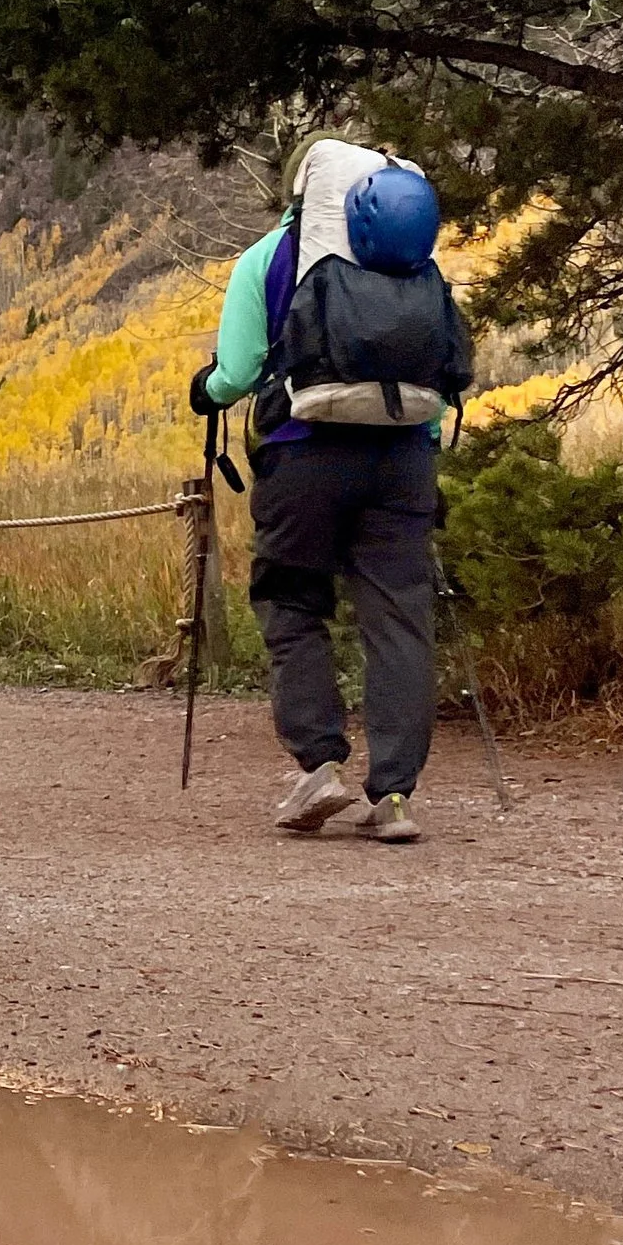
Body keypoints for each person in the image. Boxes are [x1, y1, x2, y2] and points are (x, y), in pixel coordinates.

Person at [191, 137, 469, 845]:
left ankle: (320, 764)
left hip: (303, 455)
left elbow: (237, 372)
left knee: (290, 600)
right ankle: (395, 794)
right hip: (402, 458)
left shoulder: (269, 258)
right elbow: (444, 371)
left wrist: (206, 390)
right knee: (399, 620)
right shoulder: (414, 263)